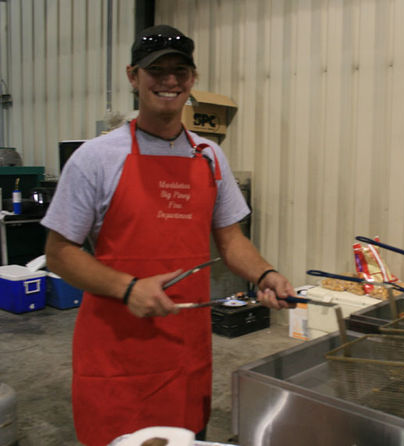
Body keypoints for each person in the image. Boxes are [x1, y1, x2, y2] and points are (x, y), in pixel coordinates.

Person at [42, 24, 296, 446]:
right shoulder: (97, 158)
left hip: (184, 352)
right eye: (156, 70)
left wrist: (265, 274)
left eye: (180, 70)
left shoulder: (209, 156)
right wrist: (128, 288)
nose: (169, 80)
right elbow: (59, 253)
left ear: (192, 80)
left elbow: (231, 241)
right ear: (133, 76)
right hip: (116, 352)